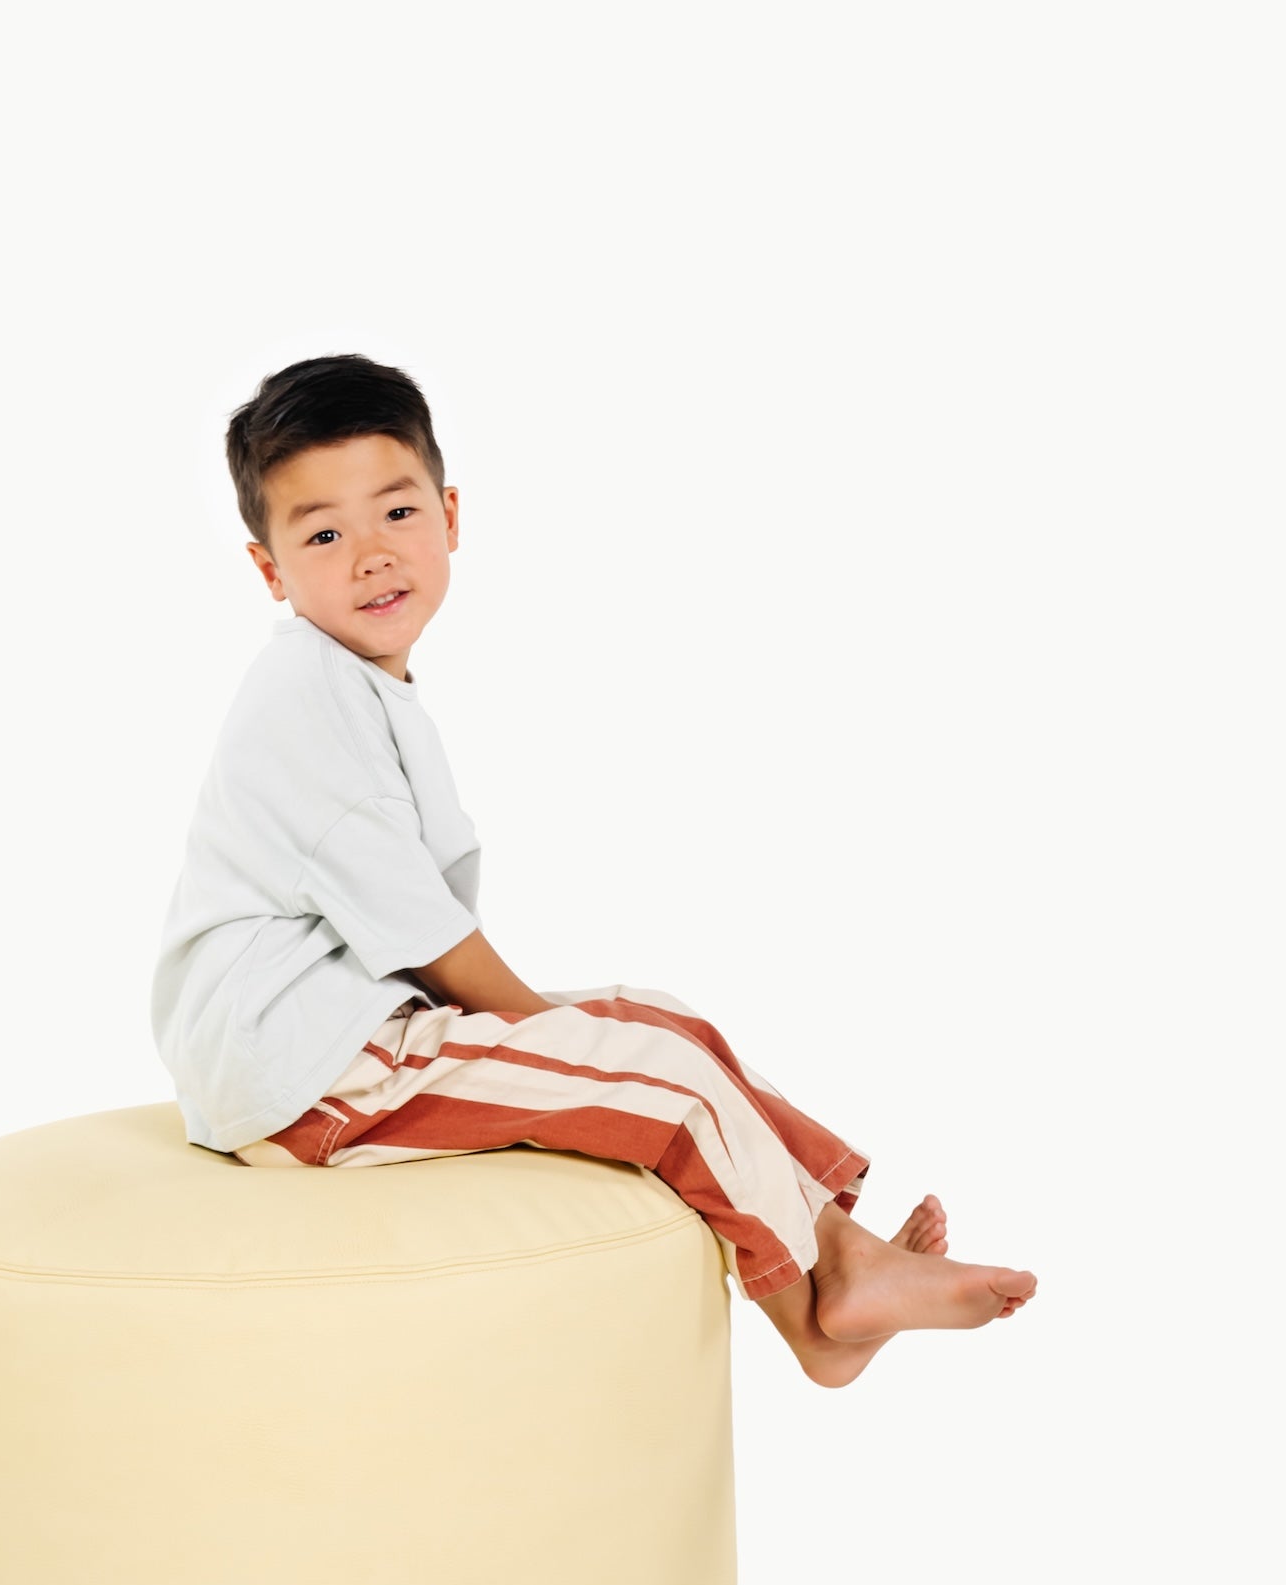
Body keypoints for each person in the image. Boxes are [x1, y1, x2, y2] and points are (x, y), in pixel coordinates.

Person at [149, 354, 1037, 1387]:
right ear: (270, 570)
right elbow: (429, 939)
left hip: (347, 1033)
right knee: (659, 1079)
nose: (370, 556)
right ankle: (829, 1284)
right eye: (322, 536)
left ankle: (827, 1287)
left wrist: (593, 1026)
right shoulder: (304, 701)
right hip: (305, 1075)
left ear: (448, 515)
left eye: (395, 513)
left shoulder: (355, 684)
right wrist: (560, 1033)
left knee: (661, 1019)